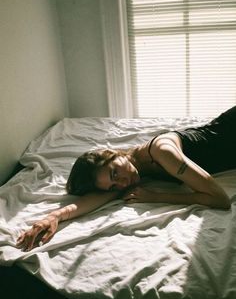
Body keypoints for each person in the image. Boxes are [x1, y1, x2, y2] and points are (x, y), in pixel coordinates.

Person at [17, 106, 236, 251]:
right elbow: (93, 199)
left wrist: (156, 198)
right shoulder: (128, 171)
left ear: (115, 154)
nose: (122, 184)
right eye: (113, 184)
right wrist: (54, 216)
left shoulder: (162, 152)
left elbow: (219, 199)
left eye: (115, 174)